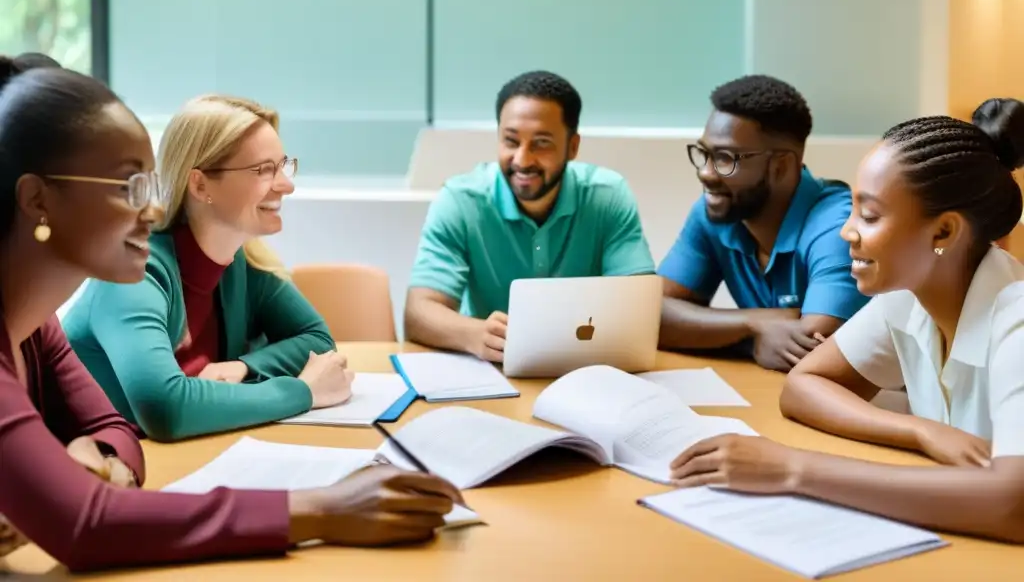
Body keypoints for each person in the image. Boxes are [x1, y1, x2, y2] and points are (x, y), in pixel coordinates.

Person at [0, 60, 462, 572]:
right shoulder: (135, 277)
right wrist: (322, 505)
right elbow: (100, 505)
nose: (152, 211)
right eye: (128, 185)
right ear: (37, 200)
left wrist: (105, 462)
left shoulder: (39, 330)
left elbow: (115, 429)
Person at [668, 99, 1024, 543]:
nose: (847, 231)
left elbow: (1014, 504)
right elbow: (804, 385)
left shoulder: (1017, 322)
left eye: (870, 215)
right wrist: (920, 430)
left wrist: (793, 468)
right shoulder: (911, 298)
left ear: (943, 233)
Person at [62, 94, 350, 442]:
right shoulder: (133, 272)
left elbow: (317, 341)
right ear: (199, 184)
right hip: (91, 469)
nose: (286, 185)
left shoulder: (238, 262)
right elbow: (165, 409)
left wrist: (244, 367)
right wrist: (303, 393)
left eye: (283, 165)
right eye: (264, 170)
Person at [404, 70, 655, 361]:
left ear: (572, 147)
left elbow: (640, 308)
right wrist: (475, 334)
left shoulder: (608, 197)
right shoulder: (460, 201)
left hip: (588, 370)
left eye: (541, 143)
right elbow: (419, 311)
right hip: (491, 371)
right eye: (511, 141)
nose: (522, 160)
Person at [658, 75, 869, 371]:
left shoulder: (836, 227)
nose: (706, 173)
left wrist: (713, 331)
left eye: (725, 158)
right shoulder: (716, 211)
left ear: (780, 166)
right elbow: (650, 314)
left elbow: (814, 350)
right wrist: (755, 324)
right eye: (704, 153)